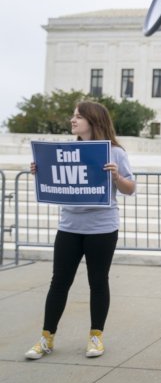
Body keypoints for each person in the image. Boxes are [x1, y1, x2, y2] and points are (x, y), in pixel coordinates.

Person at [25, 101, 136, 360]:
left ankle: (96, 336)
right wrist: (40, 172)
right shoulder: (66, 150)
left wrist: (117, 177)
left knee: (98, 282)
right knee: (59, 283)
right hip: (69, 227)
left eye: (79, 116)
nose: (73, 120)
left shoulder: (115, 152)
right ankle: (46, 338)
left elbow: (130, 188)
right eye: (73, 116)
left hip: (102, 228)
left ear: (94, 120)